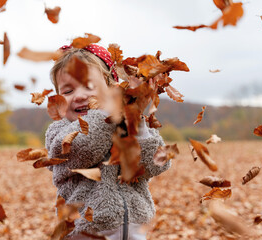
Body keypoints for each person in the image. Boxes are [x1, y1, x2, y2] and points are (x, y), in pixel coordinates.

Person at [45, 44, 171, 239]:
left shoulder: (125, 126)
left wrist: (135, 117)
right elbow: (85, 147)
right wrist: (108, 112)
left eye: (89, 86)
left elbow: (155, 164)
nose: (79, 96)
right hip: (84, 231)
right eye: (68, 91)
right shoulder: (59, 133)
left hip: (134, 229)